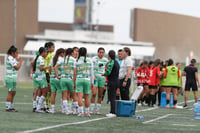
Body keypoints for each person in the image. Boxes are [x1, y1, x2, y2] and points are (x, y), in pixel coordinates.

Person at [73, 47, 94, 116]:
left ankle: (81, 111)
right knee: (87, 96)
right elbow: (92, 72)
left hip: (79, 79)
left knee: (79, 96)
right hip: (87, 79)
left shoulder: (76, 61)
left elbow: (75, 73)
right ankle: (87, 112)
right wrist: (92, 82)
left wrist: (73, 82)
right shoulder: (89, 60)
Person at [60, 48, 78, 114]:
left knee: (64, 96)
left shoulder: (62, 59)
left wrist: (58, 75)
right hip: (70, 79)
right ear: (71, 53)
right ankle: (76, 110)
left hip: (62, 78)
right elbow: (75, 71)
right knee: (74, 95)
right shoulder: (73, 60)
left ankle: (66, 110)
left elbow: (57, 67)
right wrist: (74, 81)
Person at [5, 45, 23, 112]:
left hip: (13, 78)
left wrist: (18, 60)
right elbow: (17, 68)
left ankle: (11, 106)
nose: (17, 54)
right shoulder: (10, 58)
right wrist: (21, 62)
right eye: (16, 53)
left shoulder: (13, 58)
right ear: (13, 53)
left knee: (13, 92)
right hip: (10, 77)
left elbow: (15, 65)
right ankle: (8, 107)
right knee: (10, 92)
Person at [90, 47, 108, 114]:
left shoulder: (105, 60)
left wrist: (106, 79)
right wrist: (93, 76)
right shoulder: (94, 59)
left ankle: (97, 110)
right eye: (100, 52)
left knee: (100, 95)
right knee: (94, 94)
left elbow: (107, 69)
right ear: (98, 52)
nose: (101, 54)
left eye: (102, 52)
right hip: (95, 78)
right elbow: (91, 68)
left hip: (102, 78)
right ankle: (91, 109)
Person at [103, 50, 119, 117]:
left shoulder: (111, 62)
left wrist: (104, 74)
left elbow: (108, 71)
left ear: (109, 55)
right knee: (113, 96)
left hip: (112, 81)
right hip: (116, 80)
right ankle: (113, 111)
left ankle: (112, 112)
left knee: (111, 97)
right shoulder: (117, 62)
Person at [49, 48, 65, 114]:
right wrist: (57, 75)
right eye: (64, 53)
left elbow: (50, 68)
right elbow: (56, 67)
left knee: (53, 94)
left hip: (52, 78)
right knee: (64, 93)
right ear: (61, 53)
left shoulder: (53, 59)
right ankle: (63, 108)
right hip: (58, 78)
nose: (64, 54)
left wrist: (51, 74)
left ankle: (52, 109)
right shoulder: (61, 59)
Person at [33, 47, 49, 113]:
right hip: (41, 78)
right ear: (43, 52)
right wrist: (47, 67)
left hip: (37, 77)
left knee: (39, 92)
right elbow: (41, 68)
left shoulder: (38, 58)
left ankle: (37, 107)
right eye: (46, 52)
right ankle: (38, 108)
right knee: (45, 92)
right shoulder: (41, 58)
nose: (46, 53)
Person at [44, 42, 55, 111]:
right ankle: (44, 105)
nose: (54, 49)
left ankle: (47, 105)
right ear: (48, 48)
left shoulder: (52, 54)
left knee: (49, 90)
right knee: (45, 90)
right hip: (45, 73)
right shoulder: (44, 54)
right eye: (53, 47)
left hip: (48, 73)